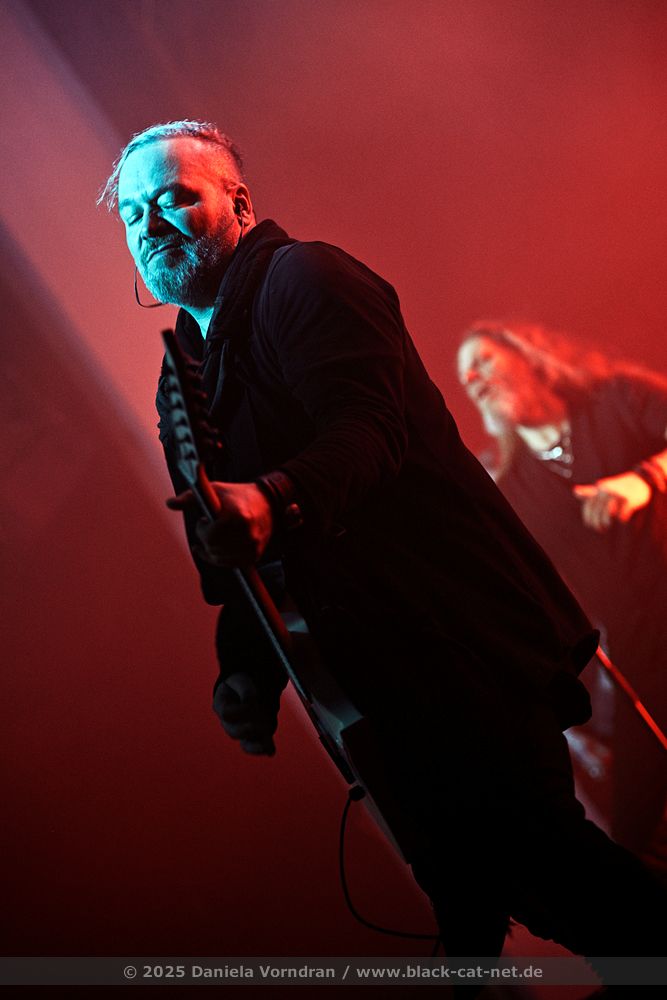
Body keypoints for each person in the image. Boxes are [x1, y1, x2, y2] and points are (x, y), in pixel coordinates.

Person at [101, 121, 666, 974]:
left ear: (239, 205)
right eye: (132, 212)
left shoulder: (304, 277)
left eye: (175, 196)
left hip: (455, 640)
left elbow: (368, 429)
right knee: (482, 899)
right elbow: (234, 549)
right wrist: (244, 671)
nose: (150, 222)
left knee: (552, 868)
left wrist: (273, 498)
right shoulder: (183, 370)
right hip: (381, 684)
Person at [457, 321, 667, 866]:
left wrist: (646, 478)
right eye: (465, 378)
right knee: (636, 837)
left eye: (483, 361)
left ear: (529, 356)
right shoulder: (510, 490)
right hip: (642, 657)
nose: (473, 379)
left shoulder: (615, 398)